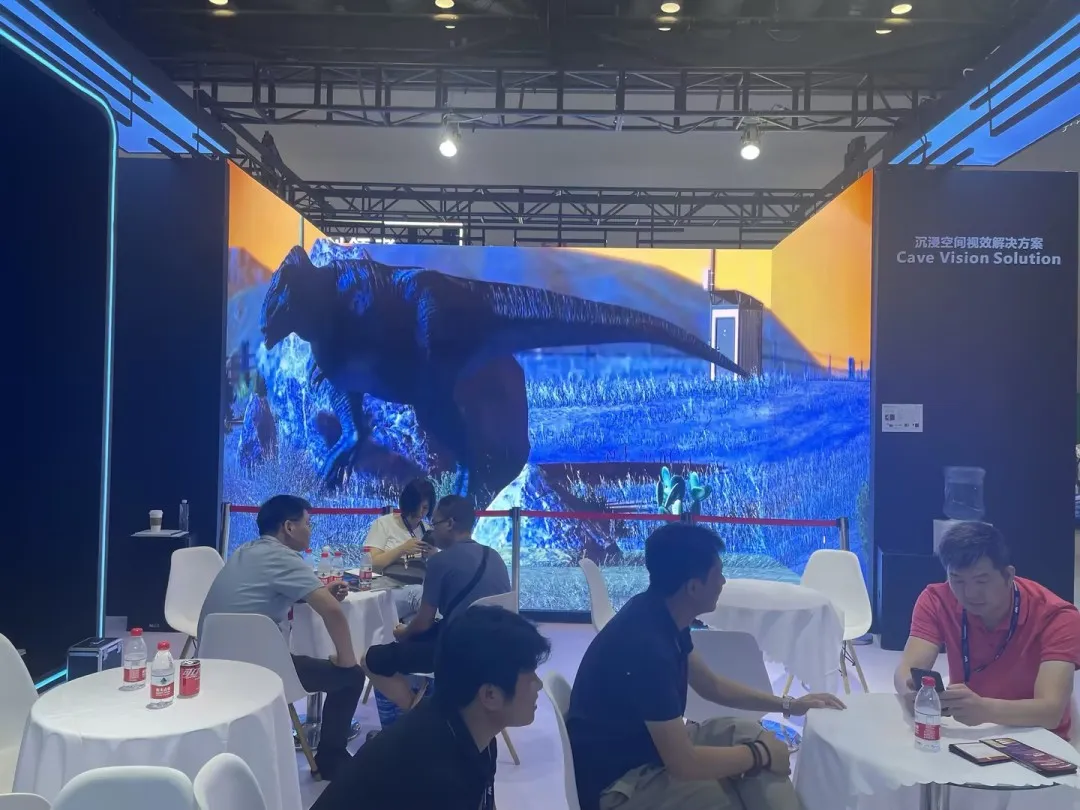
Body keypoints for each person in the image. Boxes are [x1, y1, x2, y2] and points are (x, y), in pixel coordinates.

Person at [568, 523, 845, 810]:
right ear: (693, 587)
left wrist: (788, 705)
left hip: (649, 749)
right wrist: (759, 755)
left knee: (748, 734)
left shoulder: (660, 613)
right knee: (736, 789)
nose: (723, 582)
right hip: (621, 783)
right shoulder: (648, 649)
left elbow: (711, 685)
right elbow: (683, 763)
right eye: (718, 574)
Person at [312, 606, 550, 810]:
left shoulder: (470, 730)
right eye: (530, 675)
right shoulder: (437, 774)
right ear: (490, 695)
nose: (538, 684)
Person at [198, 495, 365, 780]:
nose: (310, 530)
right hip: (259, 670)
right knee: (351, 678)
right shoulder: (283, 557)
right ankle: (332, 761)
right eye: (307, 523)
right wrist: (347, 660)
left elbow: (264, 594)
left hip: (211, 664)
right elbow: (333, 612)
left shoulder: (245, 551)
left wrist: (316, 593)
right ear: (289, 527)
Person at [894, 521, 1080, 737]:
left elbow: (1051, 712)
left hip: (1037, 735)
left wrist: (985, 709)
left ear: (1008, 576)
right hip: (969, 732)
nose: (970, 593)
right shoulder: (936, 600)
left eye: (981, 581)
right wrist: (909, 693)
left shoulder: (1057, 617)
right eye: (957, 580)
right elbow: (907, 669)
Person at [363, 494, 511, 710]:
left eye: (434, 524)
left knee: (372, 658)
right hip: (495, 649)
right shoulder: (495, 556)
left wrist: (403, 633)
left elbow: (423, 622)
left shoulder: (440, 561)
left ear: (449, 523)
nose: (431, 531)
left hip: (457, 652)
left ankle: (418, 715)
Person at [363, 477, 437, 619]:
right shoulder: (384, 524)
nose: (421, 512)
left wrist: (434, 556)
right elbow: (371, 563)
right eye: (419, 507)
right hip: (387, 590)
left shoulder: (427, 530)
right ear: (409, 503)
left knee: (418, 618)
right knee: (422, 595)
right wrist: (402, 549)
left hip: (415, 595)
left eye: (426, 508)